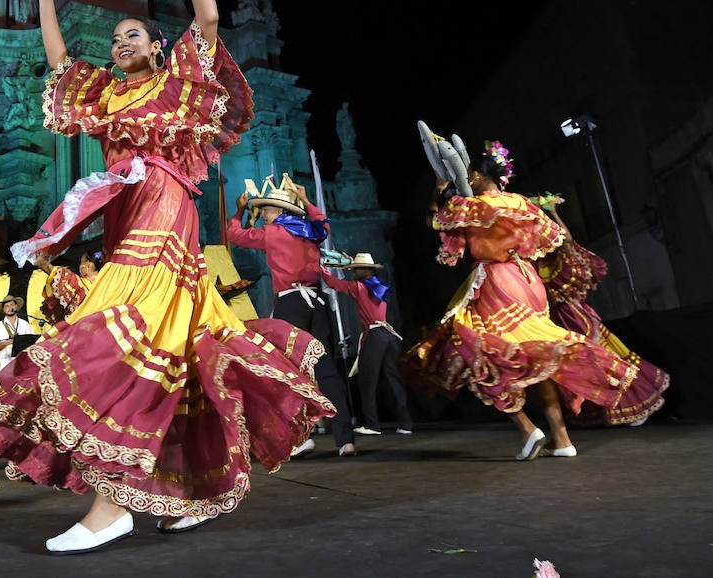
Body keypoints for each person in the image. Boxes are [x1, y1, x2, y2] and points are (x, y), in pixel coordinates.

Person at [0, 0, 333, 554]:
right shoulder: (106, 95)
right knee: (173, 362)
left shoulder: (180, 82)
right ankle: (188, 492)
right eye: (115, 40)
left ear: (157, 45)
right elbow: (58, 66)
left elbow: (209, 17)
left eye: (132, 35)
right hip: (127, 223)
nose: (121, 43)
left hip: (162, 221)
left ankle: (111, 510)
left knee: (111, 347)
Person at [399, 140, 639, 460]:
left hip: (497, 280)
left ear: (473, 178)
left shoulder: (472, 206)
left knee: (475, 349)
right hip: (527, 278)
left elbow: (434, 221)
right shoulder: (520, 202)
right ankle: (562, 439)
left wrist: (438, 189)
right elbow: (552, 237)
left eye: (468, 173)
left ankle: (527, 428)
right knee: (537, 356)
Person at [228, 175, 359, 457]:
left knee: (284, 369)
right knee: (326, 371)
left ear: (279, 212)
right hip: (317, 303)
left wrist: (239, 210)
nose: (263, 214)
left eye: (268, 210)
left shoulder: (272, 233)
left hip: (292, 304)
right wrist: (308, 200)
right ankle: (345, 440)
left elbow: (235, 235)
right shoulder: (309, 232)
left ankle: (299, 438)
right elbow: (323, 224)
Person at [534, 195, 669, 427]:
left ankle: (631, 404)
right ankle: (598, 411)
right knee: (578, 368)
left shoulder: (557, 262)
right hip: (556, 320)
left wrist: (551, 212)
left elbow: (566, 239)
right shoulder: (535, 265)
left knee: (601, 360)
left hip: (574, 316)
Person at [319, 253, 414, 436]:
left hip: (374, 335)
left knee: (367, 382)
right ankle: (405, 424)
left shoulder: (359, 287)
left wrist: (321, 268)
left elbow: (333, 283)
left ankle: (372, 425)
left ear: (363, 271)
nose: (354, 273)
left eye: (356, 270)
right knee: (394, 380)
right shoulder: (379, 286)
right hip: (388, 333)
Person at [35, 247, 104, 326]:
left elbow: (64, 277)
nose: (80, 266)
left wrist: (45, 264)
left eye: (82, 262)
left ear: (88, 265)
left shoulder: (83, 285)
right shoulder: (104, 285)